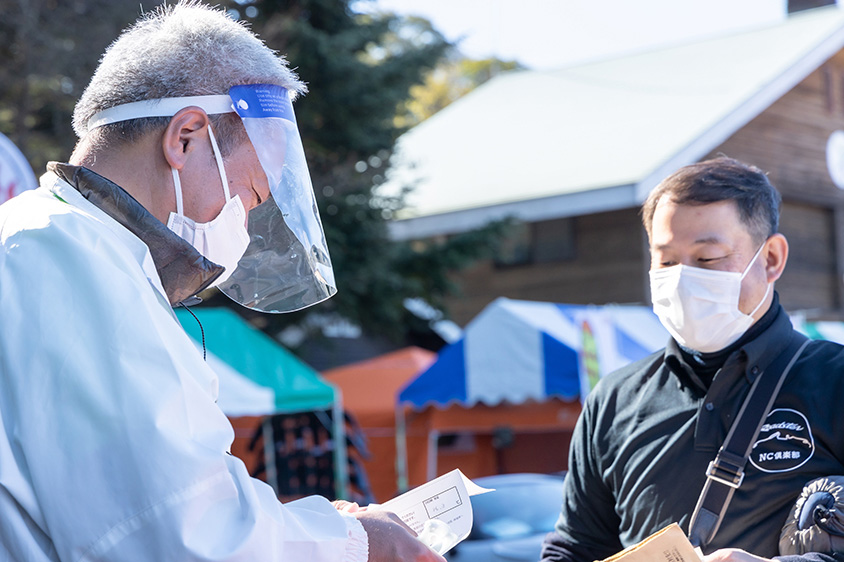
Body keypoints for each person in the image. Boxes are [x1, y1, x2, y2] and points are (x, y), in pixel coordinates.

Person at [0, 2, 444, 561]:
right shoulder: (72, 261)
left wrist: (312, 528)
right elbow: (183, 536)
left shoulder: (56, 244)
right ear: (185, 138)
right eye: (252, 195)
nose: (246, 224)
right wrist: (362, 542)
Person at [540, 157, 844, 562]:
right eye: (666, 261)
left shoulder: (835, 380)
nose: (681, 279)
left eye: (707, 258)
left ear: (771, 258)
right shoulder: (614, 400)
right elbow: (576, 547)